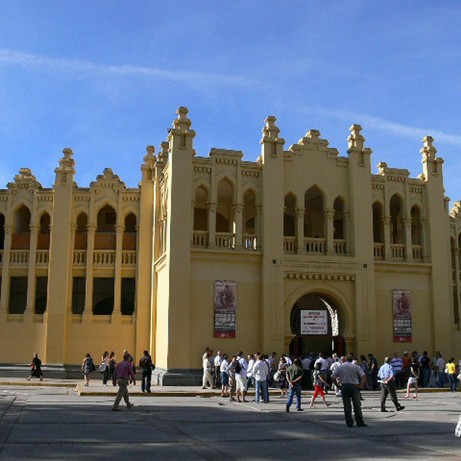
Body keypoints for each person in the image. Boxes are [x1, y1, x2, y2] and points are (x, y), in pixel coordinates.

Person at [331, 354, 367, 428]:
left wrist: (337, 386)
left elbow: (333, 377)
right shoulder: (356, 367)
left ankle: (349, 422)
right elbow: (363, 376)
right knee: (357, 405)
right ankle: (359, 421)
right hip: (355, 386)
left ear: (345, 360)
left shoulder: (341, 367)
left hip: (344, 386)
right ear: (352, 359)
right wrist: (361, 385)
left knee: (347, 406)